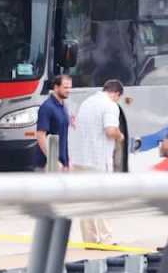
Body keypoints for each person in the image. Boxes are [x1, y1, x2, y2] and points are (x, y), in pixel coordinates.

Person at [71, 80, 124, 245]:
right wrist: (120, 136)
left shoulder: (86, 103)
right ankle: (106, 239)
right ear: (116, 94)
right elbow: (110, 130)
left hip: (80, 159)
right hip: (98, 160)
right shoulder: (110, 105)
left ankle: (90, 240)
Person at [34, 75, 72, 171]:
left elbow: (63, 135)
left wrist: (67, 161)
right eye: (65, 87)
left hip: (61, 163)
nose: (68, 90)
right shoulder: (47, 107)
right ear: (56, 87)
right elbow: (40, 135)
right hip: (47, 164)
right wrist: (53, 159)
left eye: (70, 87)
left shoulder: (63, 106)